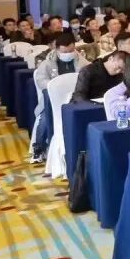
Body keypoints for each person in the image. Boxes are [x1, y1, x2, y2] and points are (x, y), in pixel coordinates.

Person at [28, 32, 90, 162]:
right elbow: (40, 80)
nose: (68, 54)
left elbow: (88, 77)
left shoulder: (83, 62)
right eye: (64, 52)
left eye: (71, 51)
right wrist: (54, 86)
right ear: (57, 49)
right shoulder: (47, 63)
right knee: (45, 119)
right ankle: (38, 148)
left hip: (75, 99)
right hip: (53, 100)